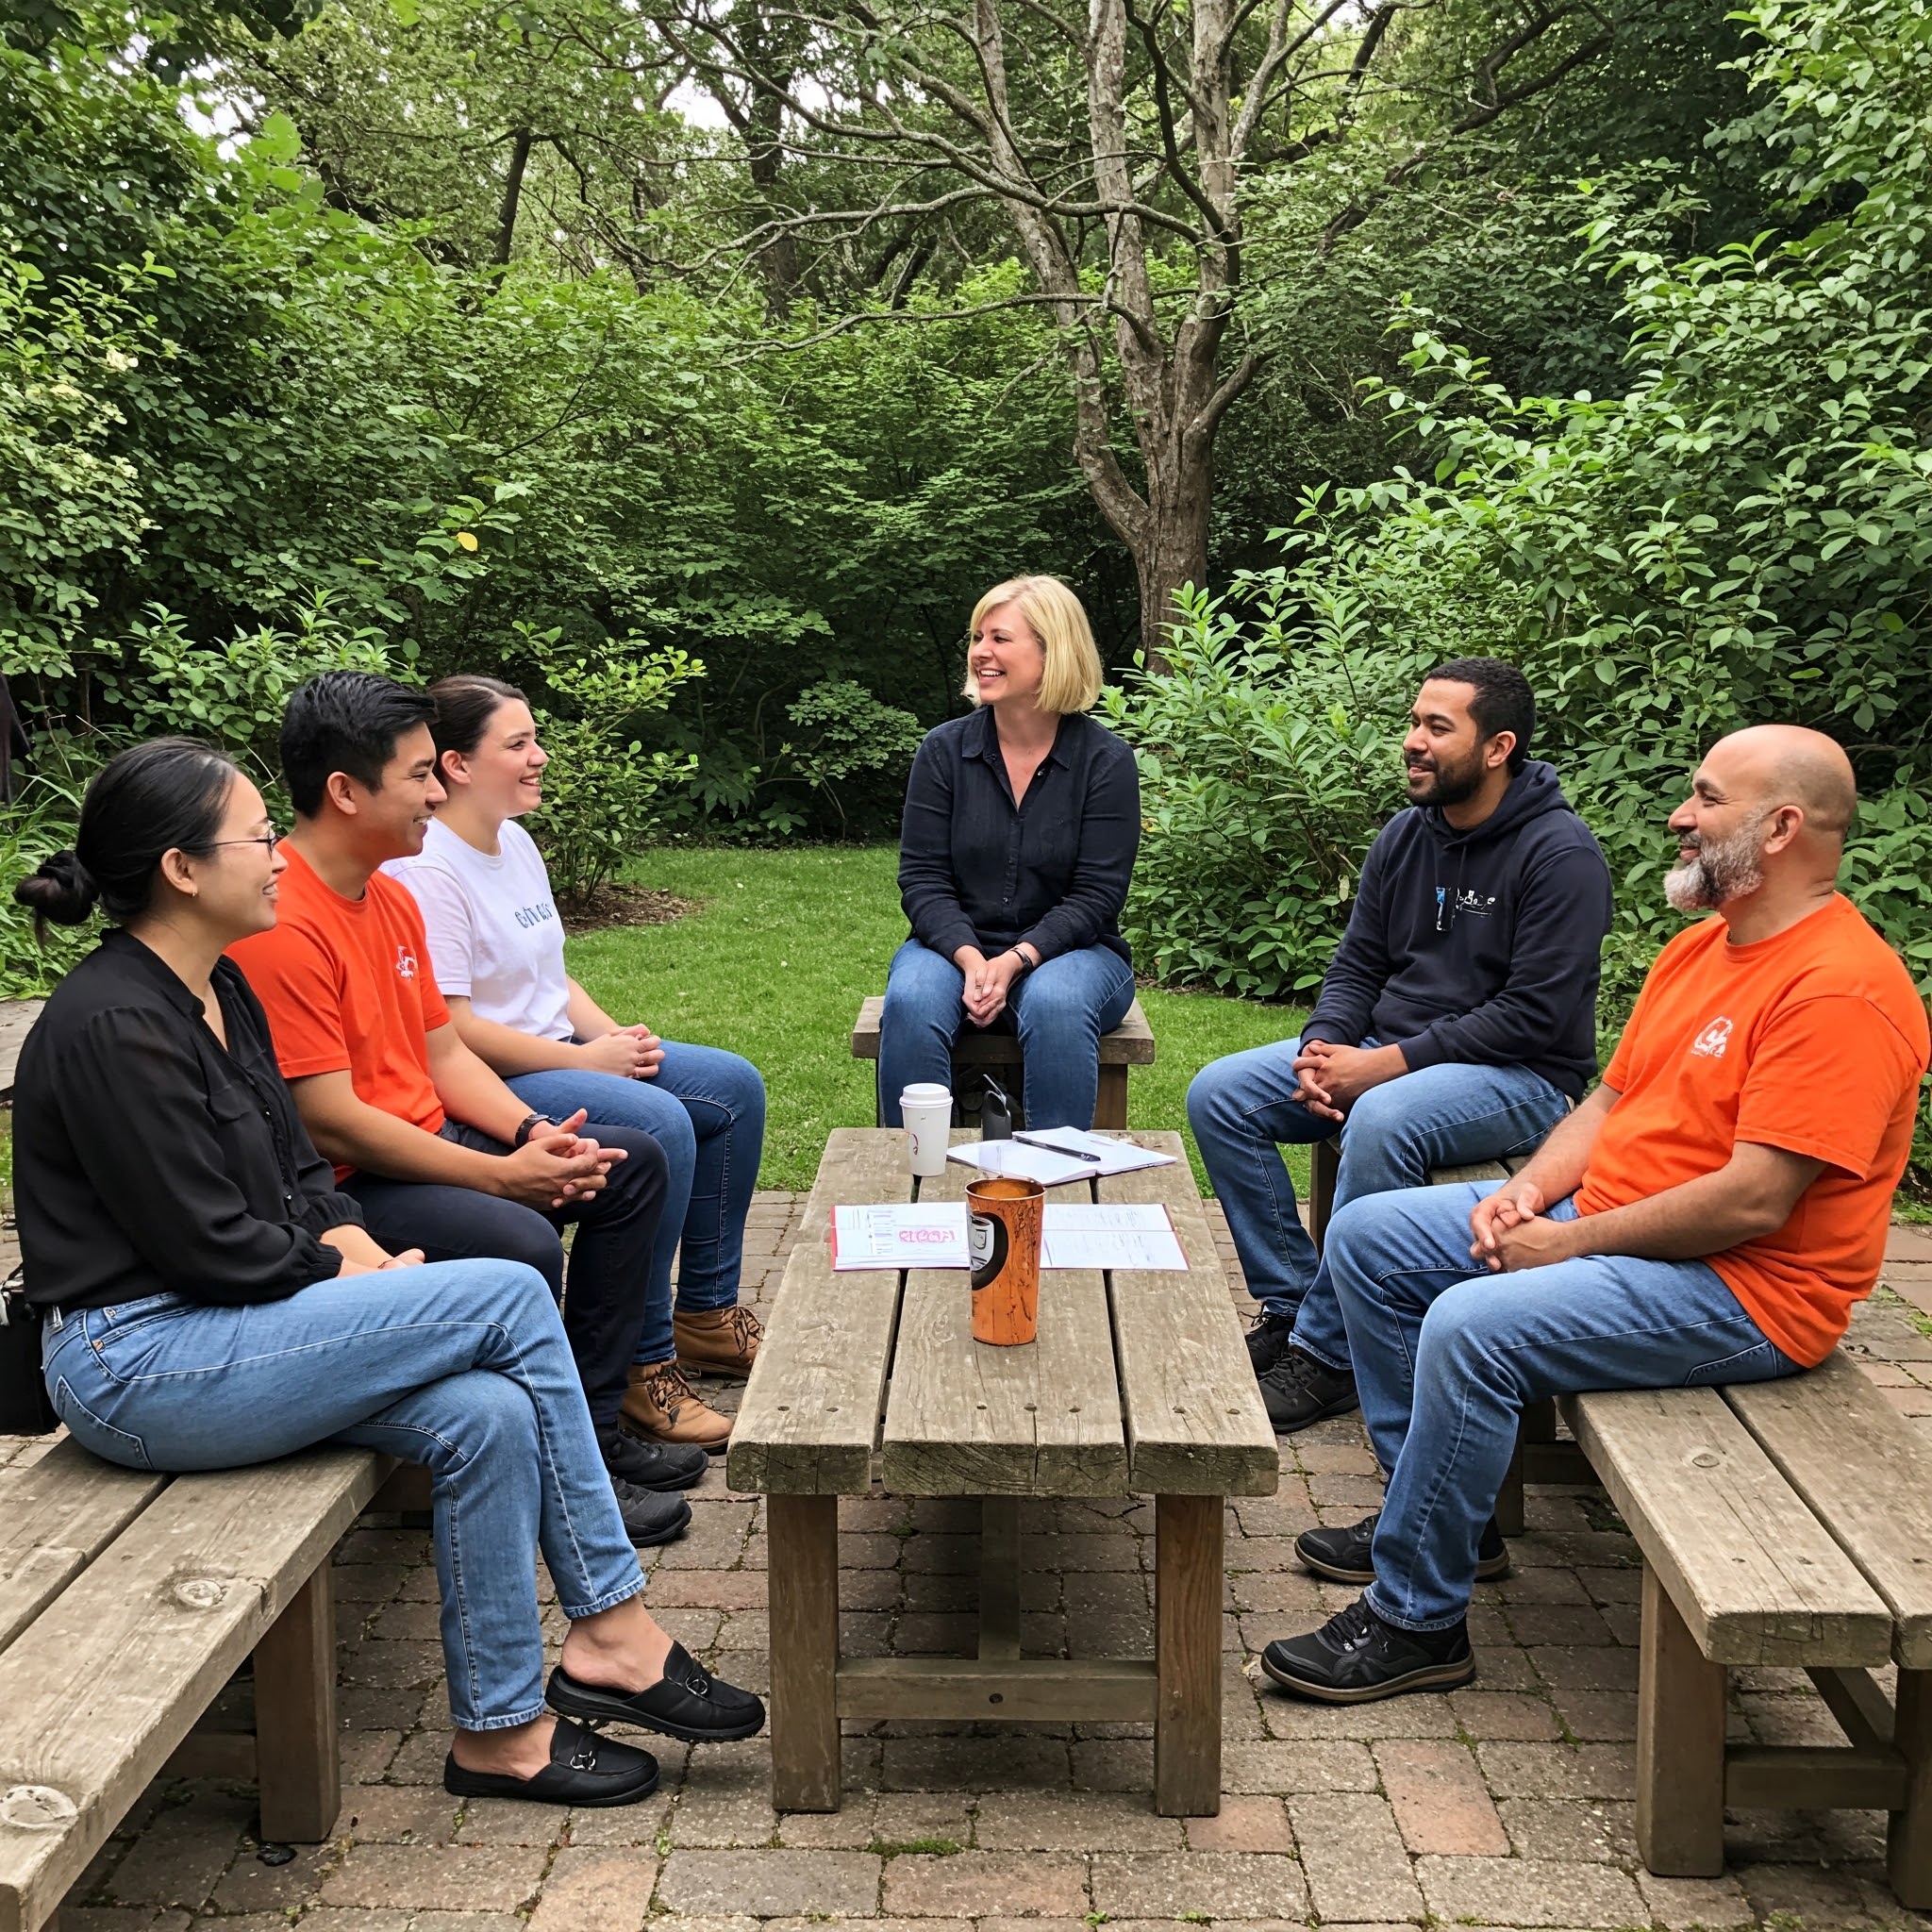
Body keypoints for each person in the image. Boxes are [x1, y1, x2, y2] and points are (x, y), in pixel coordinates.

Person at [12, 738, 764, 1805]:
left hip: (228, 1327)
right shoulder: (112, 1024)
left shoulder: (217, 985)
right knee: (508, 1292)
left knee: (487, 1413)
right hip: (135, 1360)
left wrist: (351, 1240)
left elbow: (293, 1167)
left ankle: (501, 1734)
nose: (277, 856)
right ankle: (613, 1626)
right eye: (256, 838)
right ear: (182, 869)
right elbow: (204, 1242)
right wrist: (341, 1267)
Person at [1260, 724, 1930, 1705]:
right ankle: (1438, 1517)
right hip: (1616, 1219)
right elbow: (1610, 1101)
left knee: (1469, 1326)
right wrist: (1527, 1191)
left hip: (1745, 1289)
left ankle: (1415, 1619)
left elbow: (1754, 1198)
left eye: (1707, 798)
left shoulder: (1839, 989)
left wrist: (1564, 1242)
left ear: (1782, 827)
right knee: (1368, 1238)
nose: (1680, 816)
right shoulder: (1703, 947)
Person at [227, 672, 705, 1546]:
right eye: (419, 776)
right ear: (345, 791)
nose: (435, 794)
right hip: (346, 1186)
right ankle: (553, 1478)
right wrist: (501, 1177)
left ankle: (594, 1431)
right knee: (520, 1240)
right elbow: (329, 1122)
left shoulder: (390, 895)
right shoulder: (284, 925)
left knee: (628, 1165)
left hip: (424, 1141)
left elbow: (443, 1054)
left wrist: (532, 1135)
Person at [1187, 658, 1612, 1433]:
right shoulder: (1407, 835)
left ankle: (1330, 1356)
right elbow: (1359, 963)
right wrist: (1323, 1047)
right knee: (1222, 1094)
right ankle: (1296, 1305)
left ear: (1498, 748)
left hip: (1520, 1076)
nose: (1413, 741)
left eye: (1437, 728)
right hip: (1391, 1050)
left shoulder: (1561, 856)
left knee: (1384, 1118)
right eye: (1414, 722)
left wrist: (1383, 1066)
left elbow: (1533, 1015)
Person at [383, 675, 766, 1453]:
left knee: (732, 1087)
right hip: (496, 1074)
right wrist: (589, 1060)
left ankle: (706, 1314)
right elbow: (453, 1028)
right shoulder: (428, 872)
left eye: (535, 740)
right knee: (661, 1122)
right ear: (457, 764)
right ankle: (644, 1367)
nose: (540, 757)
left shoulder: (515, 841)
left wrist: (615, 1039)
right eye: (519, 744)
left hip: (559, 1050)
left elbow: (551, 976)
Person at [882, 575, 1140, 1131]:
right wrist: (971, 958)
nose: (981, 652)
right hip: (951, 949)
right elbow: (923, 879)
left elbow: (1097, 896)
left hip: (1077, 953)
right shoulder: (943, 752)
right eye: (977, 638)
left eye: (1000, 638)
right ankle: (913, 1174)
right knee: (912, 998)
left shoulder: (1106, 761)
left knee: (1056, 1004)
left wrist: (1018, 958)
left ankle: (1054, 1174)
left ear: (1054, 652)